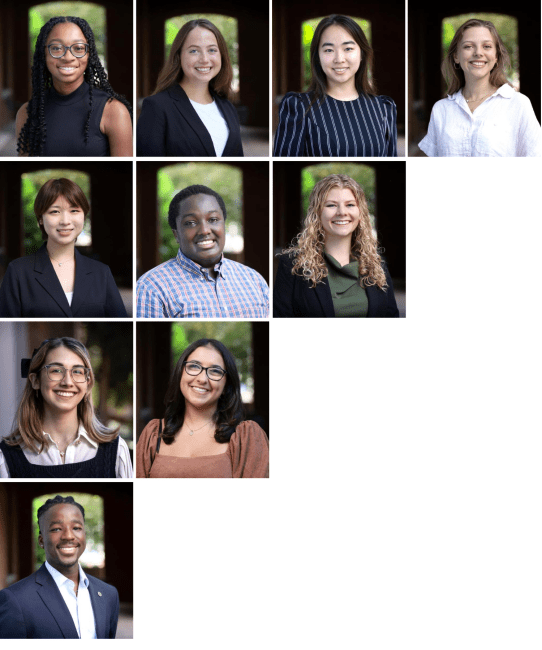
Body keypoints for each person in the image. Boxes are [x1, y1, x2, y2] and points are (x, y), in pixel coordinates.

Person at [0, 337, 133, 478]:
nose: (67, 382)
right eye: (56, 370)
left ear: (87, 384)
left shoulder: (116, 450)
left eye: (77, 371)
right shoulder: (5, 458)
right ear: (35, 380)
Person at [137, 338, 269, 478]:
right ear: (181, 373)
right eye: (194, 366)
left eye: (215, 371)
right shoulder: (153, 434)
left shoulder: (246, 437)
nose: (202, 379)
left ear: (226, 385)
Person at [274, 174, 399, 318]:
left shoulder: (377, 265)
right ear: (317, 213)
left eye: (350, 205)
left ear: (360, 213)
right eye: (331, 205)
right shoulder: (292, 264)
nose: (342, 212)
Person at [0, 178, 127, 317]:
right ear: (40, 219)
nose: (65, 221)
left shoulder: (101, 273)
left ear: (84, 216)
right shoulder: (18, 272)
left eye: (74, 210)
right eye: (55, 211)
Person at [136, 185, 269, 318]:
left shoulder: (254, 280)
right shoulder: (152, 287)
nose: (205, 230)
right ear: (176, 234)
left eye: (213, 220)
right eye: (191, 223)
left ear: (223, 225)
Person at [274, 14, 397, 157]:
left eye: (348, 49)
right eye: (328, 50)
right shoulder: (298, 107)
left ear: (362, 54)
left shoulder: (384, 108)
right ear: (317, 57)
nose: (339, 59)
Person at [0, 495, 119, 638]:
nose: (68, 536)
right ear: (41, 540)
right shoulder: (16, 600)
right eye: (56, 529)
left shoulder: (108, 594)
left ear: (84, 535)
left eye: (76, 527)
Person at [419, 18, 541, 157]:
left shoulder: (518, 104)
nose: (478, 53)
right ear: (456, 56)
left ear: (496, 57)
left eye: (487, 46)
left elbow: (535, 162)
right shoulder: (441, 109)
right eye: (468, 46)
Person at [16, 16, 132, 157]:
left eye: (78, 48)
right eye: (57, 48)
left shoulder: (113, 111)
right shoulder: (26, 113)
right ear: (44, 53)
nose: (68, 57)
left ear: (89, 54)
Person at [137, 18, 243, 157]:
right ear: (178, 56)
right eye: (194, 51)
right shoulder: (157, 107)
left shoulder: (228, 107)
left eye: (212, 50)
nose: (204, 59)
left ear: (221, 56)